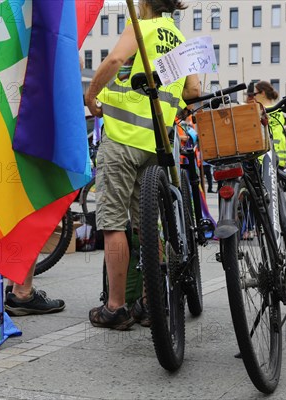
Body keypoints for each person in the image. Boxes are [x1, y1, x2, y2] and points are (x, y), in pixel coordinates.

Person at [85, 0, 201, 330]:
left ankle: (116, 306)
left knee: (113, 222)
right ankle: (152, 302)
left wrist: (92, 94)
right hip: (156, 143)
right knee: (148, 226)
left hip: (121, 140)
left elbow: (116, 59)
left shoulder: (140, 27)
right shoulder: (178, 37)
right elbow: (194, 90)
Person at [0, 0, 65, 316]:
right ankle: (20, 291)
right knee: (28, 189)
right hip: (20, 97)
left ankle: (5, 288)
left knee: (9, 190)